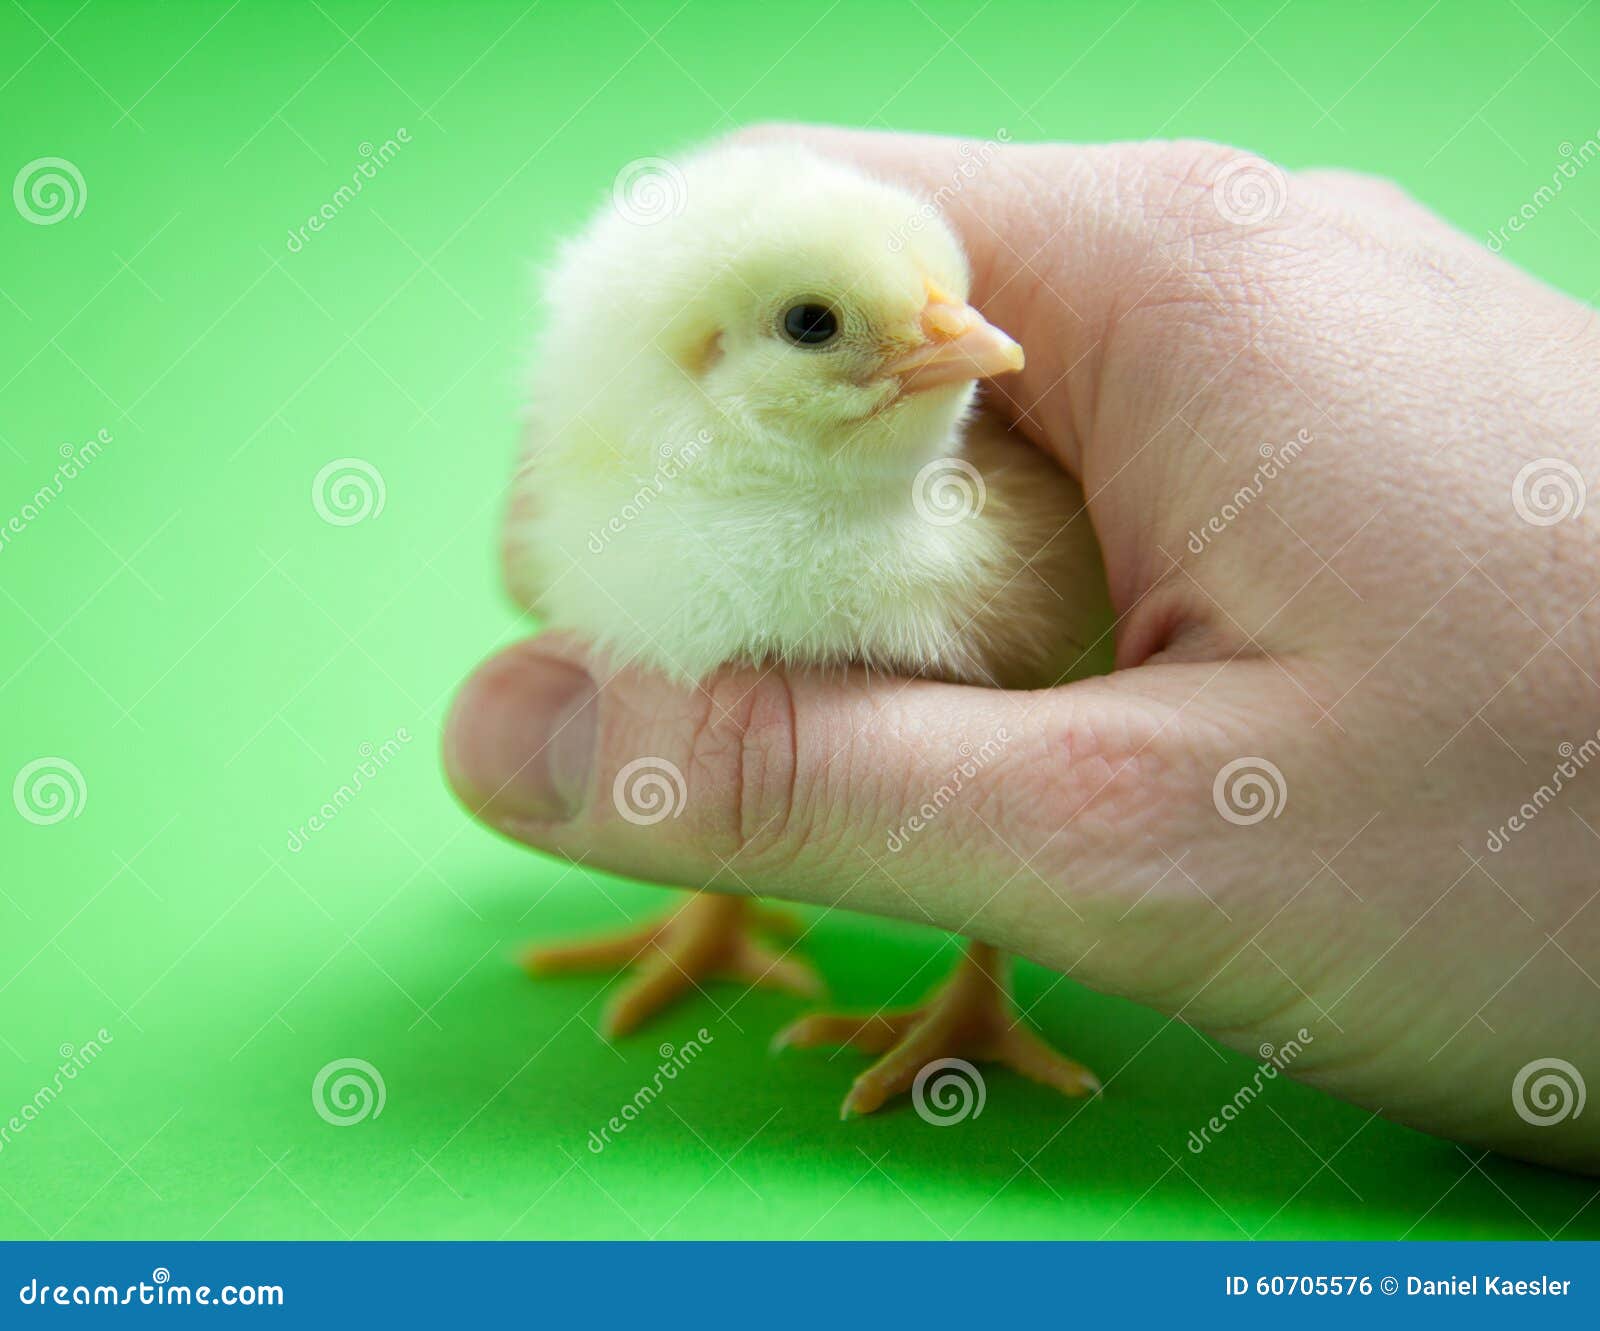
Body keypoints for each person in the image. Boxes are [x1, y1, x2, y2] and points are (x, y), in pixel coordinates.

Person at [445, 127, 1598, 1174]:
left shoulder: (977, 543)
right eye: (814, 324)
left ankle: (973, 987)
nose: (964, 341)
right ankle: (715, 904)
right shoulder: (608, 512)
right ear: (696, 360)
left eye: (947, 303)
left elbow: (1031, 726)